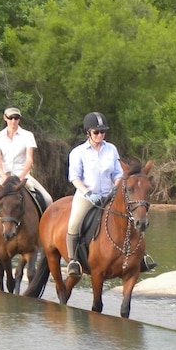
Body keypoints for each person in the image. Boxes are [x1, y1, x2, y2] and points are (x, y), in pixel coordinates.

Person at [0, 106, 53, 248]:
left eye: (16, 118)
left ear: (19, 119)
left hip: (22, 174)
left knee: (48, 199)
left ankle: (44, 233)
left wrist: (22, 175)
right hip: (3, 176)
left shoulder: (27, 135)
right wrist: (3, 175)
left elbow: (29, 159)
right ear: (5, 118)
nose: (13, 121)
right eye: (10, 118)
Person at [66, 111, 125, 277]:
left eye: (102, 132)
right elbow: (74, 178)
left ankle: (139, 256)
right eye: (96, 132)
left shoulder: (111, 149)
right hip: (87, 195)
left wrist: (116, 186)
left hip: (109, 194)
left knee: (133, 216)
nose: (100, 135)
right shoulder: (78, 152)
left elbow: (118, 173)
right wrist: (88, 192)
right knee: (73, 223)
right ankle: (73, 261)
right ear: (88, 132)